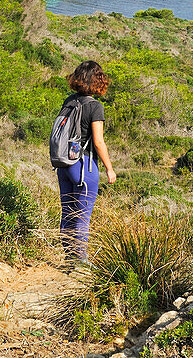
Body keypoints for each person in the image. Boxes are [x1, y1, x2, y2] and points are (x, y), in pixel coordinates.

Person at [58, 60, 116, 265]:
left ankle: (68, 257)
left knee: (67, 211)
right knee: (82, 215)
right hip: (84, 166)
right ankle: (80, 261)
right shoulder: (95, 107)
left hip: (64, 164)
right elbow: (98, 142)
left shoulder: (69, 101)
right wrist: (109, 168)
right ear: (98, 81)